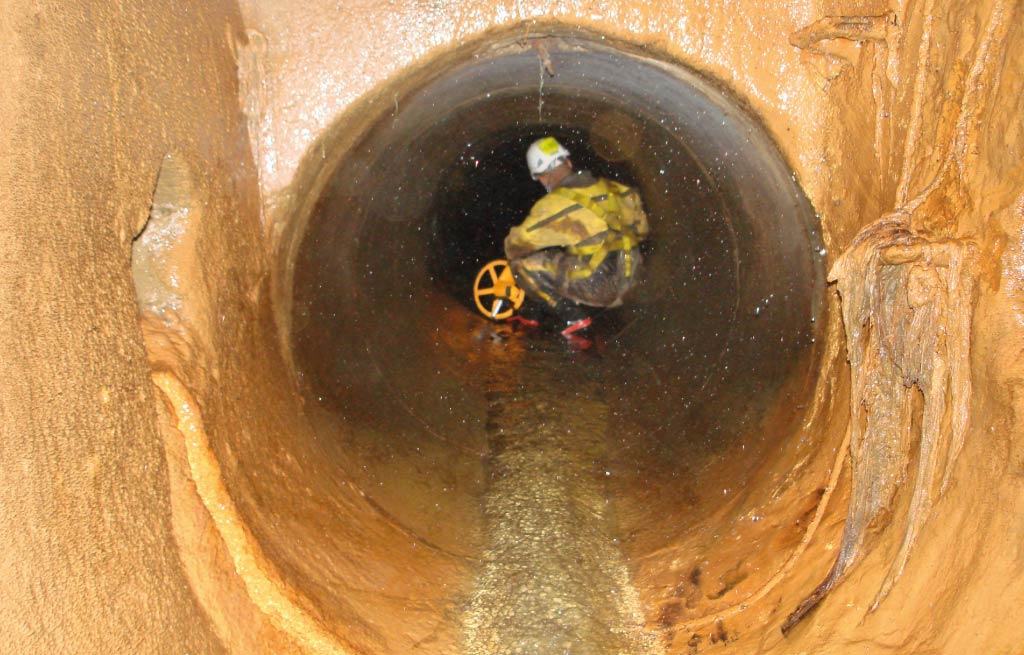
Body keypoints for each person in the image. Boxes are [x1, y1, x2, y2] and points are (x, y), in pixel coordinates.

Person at [504, 136, 649, 342]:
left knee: (523, 265)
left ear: (543, 177)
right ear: (569, 163)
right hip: (633, 280)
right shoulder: (620, 190)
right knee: (568, 257)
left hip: (599, 287)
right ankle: (532, 313)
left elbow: (517, 244)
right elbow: (642, 231)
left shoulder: (555, 203)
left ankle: (574, 319)